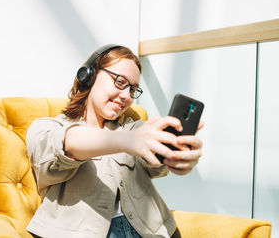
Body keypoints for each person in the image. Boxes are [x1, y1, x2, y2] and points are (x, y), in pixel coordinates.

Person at [26, 44, 203, 238]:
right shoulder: (46, 128)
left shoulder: (132, 128)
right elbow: (69, 143)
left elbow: (152, 154)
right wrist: (129, 141)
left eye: (133, 89)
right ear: (89, 76)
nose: (127, 96)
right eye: (120, 82)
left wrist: (175, 156)